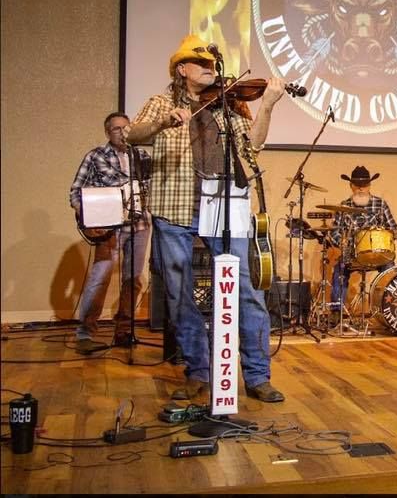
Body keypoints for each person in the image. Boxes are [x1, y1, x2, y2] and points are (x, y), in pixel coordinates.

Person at [127, 34, 286, 402]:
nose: (211, 70)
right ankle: (197, 371)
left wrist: (268, 107)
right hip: (175, 208)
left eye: (214, 65)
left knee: (247, 291)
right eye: (203, 64)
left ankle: (258, 375)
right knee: (179, 293)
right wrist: (163, 122)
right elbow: (134, 134)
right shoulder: (160, 102)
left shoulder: (229, 106)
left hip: (224, 206)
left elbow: (254, 147)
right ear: (182, 69)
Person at [69, 112, 151, 354]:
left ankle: (124, 330)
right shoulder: (95, 156)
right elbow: (75, 192)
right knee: (100, 278)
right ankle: (85, 333)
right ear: (107, 132)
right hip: (109, 228)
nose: (122, 132)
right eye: (116, 128)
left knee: (132, 280)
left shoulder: (142, 156)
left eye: (126, 128)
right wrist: (88, 219)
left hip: (140, 225)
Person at [329, 166, 397, 318]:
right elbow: (334, 231)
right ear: (351, 186)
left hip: (378, 253)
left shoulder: (380, 204)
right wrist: (341, 242)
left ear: (369, 186)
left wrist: (388, 234)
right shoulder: (343, 206)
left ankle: (390, 310)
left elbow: (393, 228)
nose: (361, 188)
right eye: (357, 185)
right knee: (339, 270)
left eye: (364, 185)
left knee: (390, 269)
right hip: (352, 253)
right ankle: (337, 312)